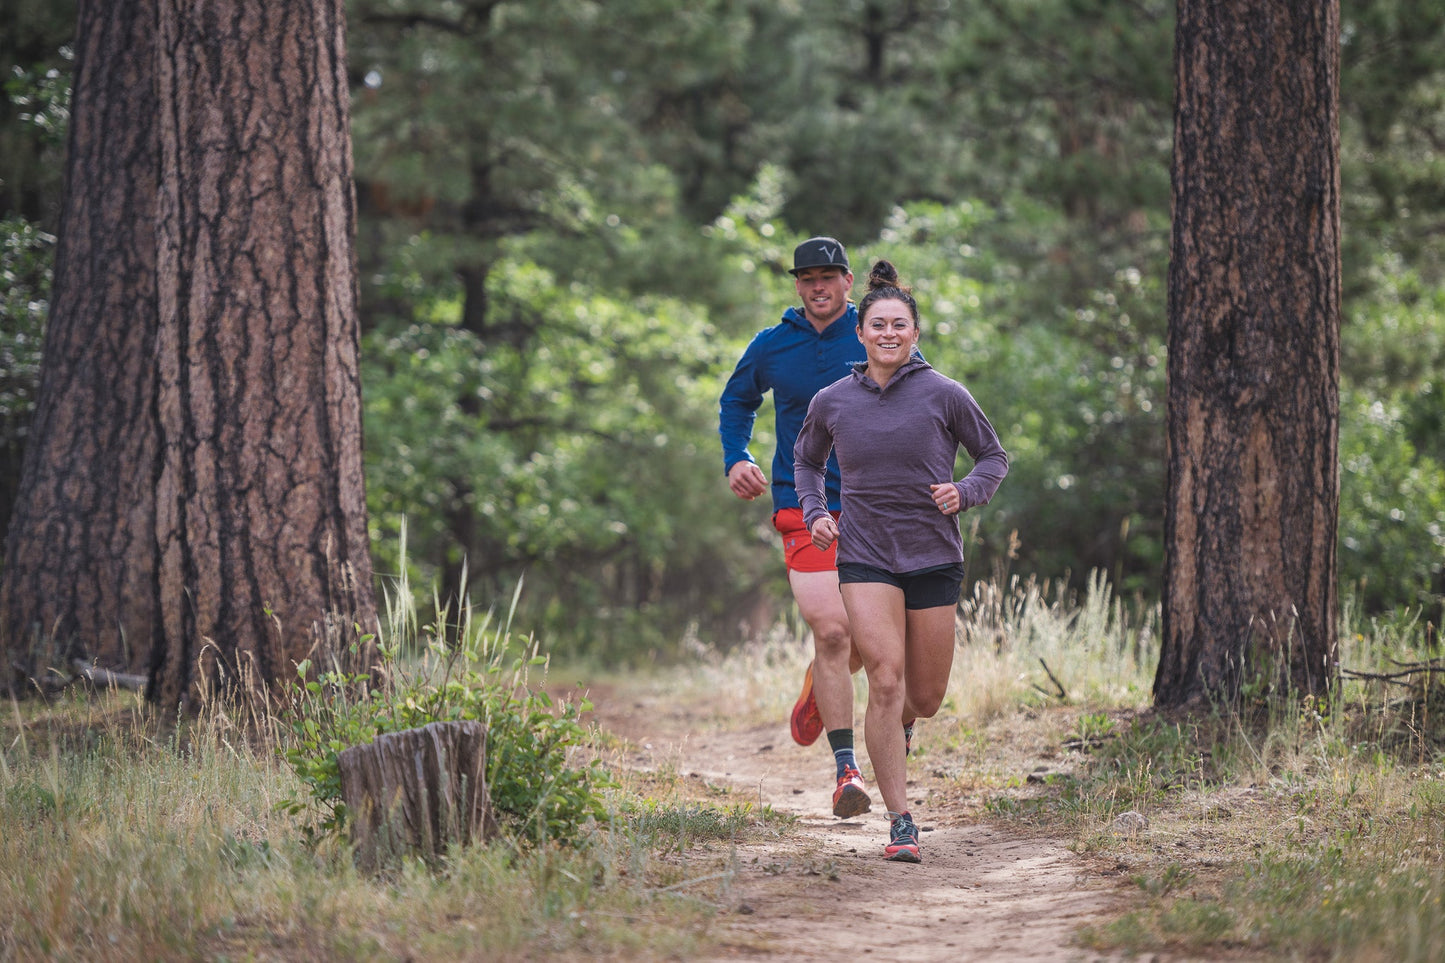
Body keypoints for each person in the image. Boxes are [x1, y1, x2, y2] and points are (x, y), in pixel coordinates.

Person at [794, 259, 1009, 863]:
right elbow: (806, 461)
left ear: (915, 333)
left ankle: (903, 729)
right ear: (859, 333)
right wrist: (815, 511)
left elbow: (992, 458)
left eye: (900, 325)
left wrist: (963, 492)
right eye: (877, 325)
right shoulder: (833, 400)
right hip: (864, 555)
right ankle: (901, 821)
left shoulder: (945, 394)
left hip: (933, 556)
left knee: (925, 695)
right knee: (885, 680)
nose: (888, 334)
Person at [719, 235, 872, 818]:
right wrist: (738, 455)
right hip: (803, 506)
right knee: (833, 632)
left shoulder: (874, 334)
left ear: (847, 282)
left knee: (867, 638)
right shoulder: (773, 344)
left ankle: (819, 687)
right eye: (806, 277)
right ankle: (845, 773)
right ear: (797, 285)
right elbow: (737, 402)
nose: (817, 286)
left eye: (827, 276)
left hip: (876, 507)